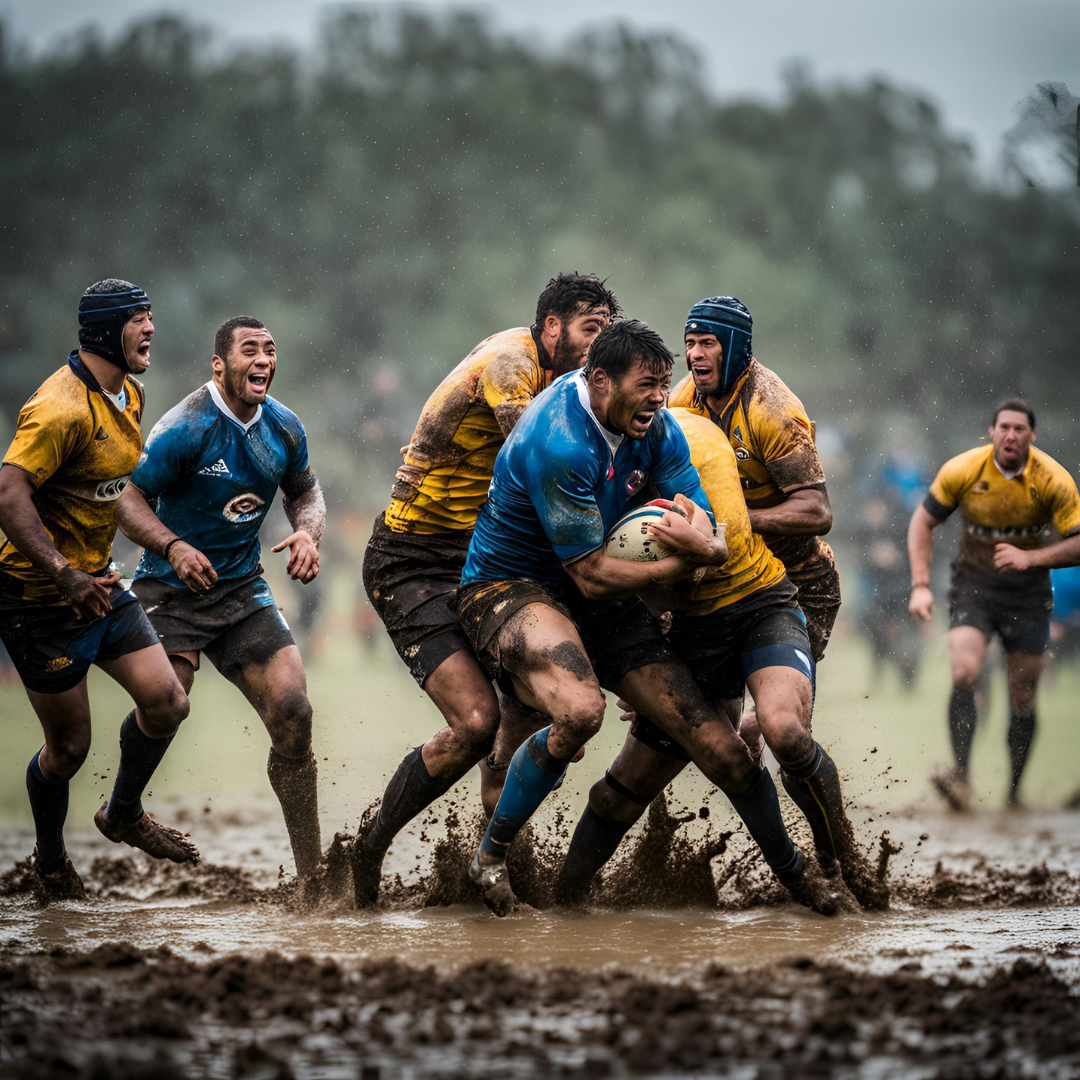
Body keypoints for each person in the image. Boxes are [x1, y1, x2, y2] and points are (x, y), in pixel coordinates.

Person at [460, 319, 836, 916]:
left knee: (724, 750)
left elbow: (708, 529)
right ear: (601, 380)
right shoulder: (560, 441)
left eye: (666, 384)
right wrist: (677, 568)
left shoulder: (656, 428)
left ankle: (804, 880)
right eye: (648, 385)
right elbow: (590, 573)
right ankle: (491, 856)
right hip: (513, 588)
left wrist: (708, 549)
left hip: (604, 599)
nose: (662, 398)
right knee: (583, 711)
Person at [354, 273, 619, 906]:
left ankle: (493, 869)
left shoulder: (568, 386)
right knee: (476, 722)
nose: (599, 346)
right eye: (591, 329)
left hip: (485, 560)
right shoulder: (511, 364)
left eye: (609, 332)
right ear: (551, 327)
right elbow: (541, 468)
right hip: (413, 561)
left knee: (526, 718)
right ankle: (368, 848)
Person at [556, 407, 886, 910]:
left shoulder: (695, 441)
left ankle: (839, 864)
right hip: (690, 636)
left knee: (786, 733)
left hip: (759, 606)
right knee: (620, 792)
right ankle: (560, 904)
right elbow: (600, 580)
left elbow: (719, 550)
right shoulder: (585, 463)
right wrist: (642, 671)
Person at [0, 280, 194, 901]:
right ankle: (52, 865)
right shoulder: (57, 409)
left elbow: (107, 491)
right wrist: (64, 573)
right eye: (141, 319)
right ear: (106, 330)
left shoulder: (129, 393)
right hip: (40, 599)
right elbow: (8, 496)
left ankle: (124, 813)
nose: (152, 330)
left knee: (167, 701)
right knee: (69, 748)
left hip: (102, 586)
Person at [110, 316, 325, 877]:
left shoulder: (284, 426)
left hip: (241, 591)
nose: (263, 360)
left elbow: (306, 490)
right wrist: (175, 545)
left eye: (270, 350)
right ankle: (123, 810)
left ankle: (312, 873)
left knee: (294, 710)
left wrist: (308, 530)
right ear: (219, 364)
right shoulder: (187, 426)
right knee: (170, 701)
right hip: (168, 586)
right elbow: (127, 501)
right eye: (249, 350)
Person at [907, 399, 1080, 810]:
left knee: (1022, 695)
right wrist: (920, 585)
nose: (1011, 435)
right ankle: (962, 780)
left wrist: (1031, 558)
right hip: (975, 585)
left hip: (1029, 593)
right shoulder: (964, 470)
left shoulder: (1053, 479)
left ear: (1031, 437)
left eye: (1020, 429)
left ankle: (1014, 794)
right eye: (1004, 427)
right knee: (965, 670)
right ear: (992, 431)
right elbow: (922, 522)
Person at [668, 297, 839, 661]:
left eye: (707, 343)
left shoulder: (772, 409)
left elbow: (818, 512)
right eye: (689, 344)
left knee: (780, 717)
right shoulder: (680, 402)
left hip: (798, 579)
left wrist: (734, 520)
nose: (695, 354)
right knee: (697, 708)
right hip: (722, 575)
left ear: (734, 346)